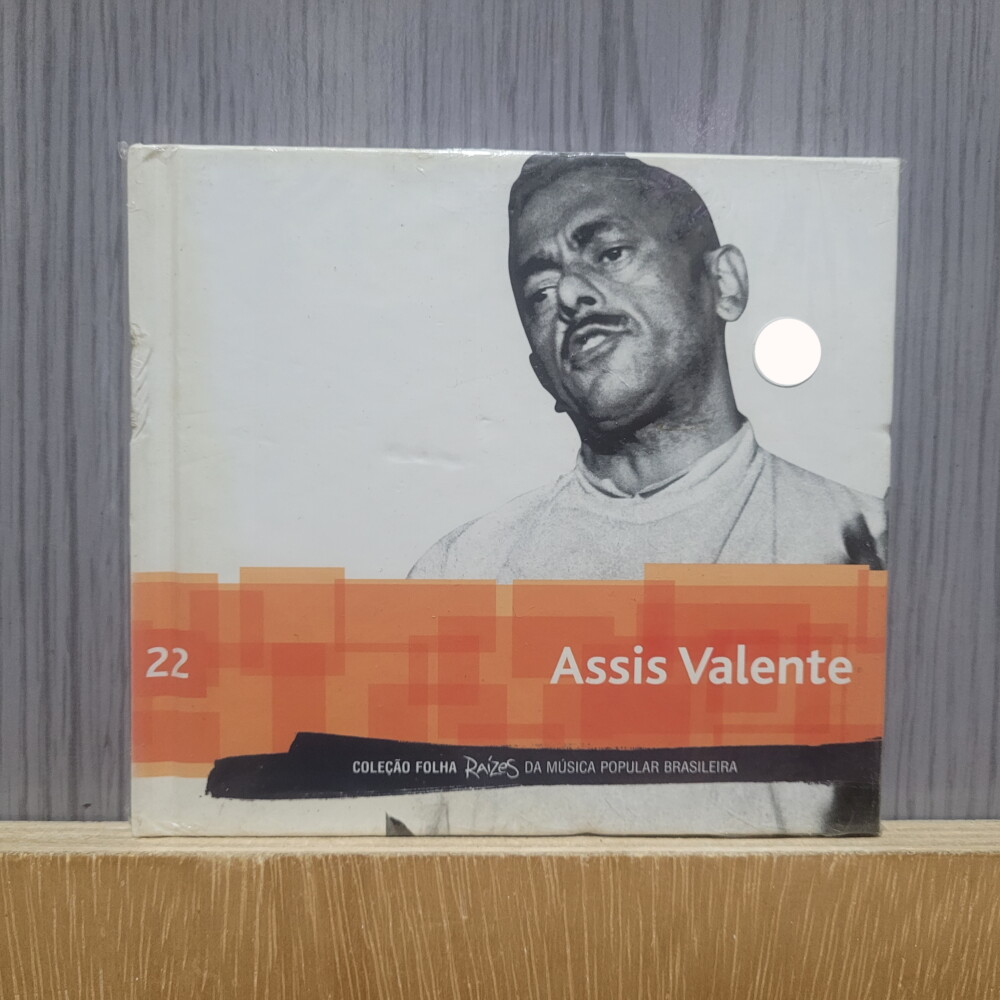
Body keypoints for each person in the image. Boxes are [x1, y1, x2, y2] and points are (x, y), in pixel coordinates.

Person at [409, 153, 886, 583]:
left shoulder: (868, 545)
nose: (570, 294)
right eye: (542, 293)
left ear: (724, 283)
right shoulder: (462, 575)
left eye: (611, 254)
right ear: (543, 374)